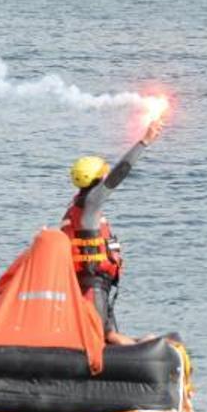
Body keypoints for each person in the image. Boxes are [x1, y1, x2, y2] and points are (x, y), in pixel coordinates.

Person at [61, 118, 164, 345]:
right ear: (97, 178)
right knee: (102, 337)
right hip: (92, 284)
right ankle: (149, 345)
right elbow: (120, 173)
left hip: (94, 283)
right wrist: (144, 142)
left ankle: (148, 344)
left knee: (108, 336)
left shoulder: (77, 207)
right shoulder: (91, 204)